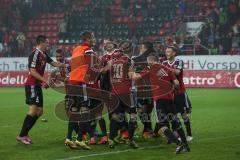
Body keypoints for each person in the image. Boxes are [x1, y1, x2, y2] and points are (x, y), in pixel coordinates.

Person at [129, 56, 190, 154]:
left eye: (148, 62)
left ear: (151, 61)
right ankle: (186, 145)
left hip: (159, 100)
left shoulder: (150, 68)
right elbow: (176, 83)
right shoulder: (168, 69)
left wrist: (131, 70)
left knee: (162, 126)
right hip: (170, 99)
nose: (148, 63)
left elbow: (136, 77)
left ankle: (179, 144)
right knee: (176, 123)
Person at [17, 35, 68, 145]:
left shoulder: (43, 54)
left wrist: (66, 65)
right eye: (47, 42)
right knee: (33, 110)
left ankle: (24, 133)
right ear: (41, 43)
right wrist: (45, 80)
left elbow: (54, 63)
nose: (48, 44)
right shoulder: (34, 54)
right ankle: (22, 135)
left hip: (37, 85)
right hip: (31, 85)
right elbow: (32, 71)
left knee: (40, 112)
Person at [108, 41, 138, 149]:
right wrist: (142, 73)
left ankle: (111, 139)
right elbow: (131, 76)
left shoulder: (113, 63)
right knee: (133, 115)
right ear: (132, 50)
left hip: (114, 91)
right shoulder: (128, 60)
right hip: (125, 91)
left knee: (115, 116)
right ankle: (130, 139)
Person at [162, 45, 193, 142]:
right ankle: (176, 133)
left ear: (174, 53)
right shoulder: (163, 63)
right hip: (169, 93)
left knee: (184, 114)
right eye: (166, 51)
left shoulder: (179, 61)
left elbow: (177, 72)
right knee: (172, 114)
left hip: (180, 92)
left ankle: (189, 134)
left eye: (168, 51)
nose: (166, 53)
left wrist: (165, 69)